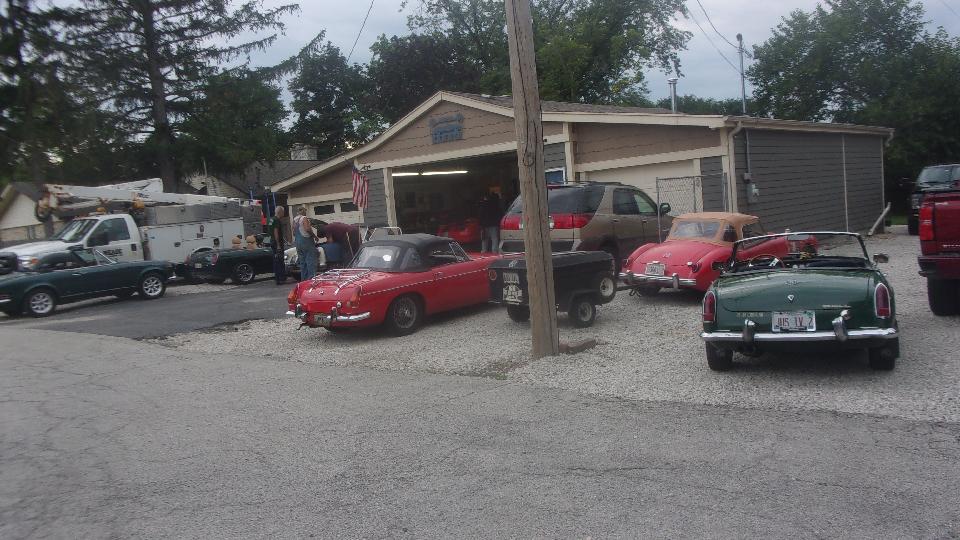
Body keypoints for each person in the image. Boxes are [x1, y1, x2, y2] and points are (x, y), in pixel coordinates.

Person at [292, 207, 319, 280]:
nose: (305, 213)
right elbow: (307, 229)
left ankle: (304, 280)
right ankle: (311, 279)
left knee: (302, 262)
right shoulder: (304, 218)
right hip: (306, 242)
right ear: (302, 211)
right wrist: (315, 236)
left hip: (298, 243)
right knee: (310, 261)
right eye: (305, 211)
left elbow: (294, 233)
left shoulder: (294, 220)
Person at [268, 206, 287, 284]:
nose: (284, 214)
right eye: (283, 212)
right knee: (280, 260)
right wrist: (278, 244)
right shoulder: (276, 220)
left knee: (275, 260)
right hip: (277, 243)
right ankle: (281, 278)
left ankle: (277, 278)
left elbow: (270, 231)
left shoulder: (271, 219)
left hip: (272, 242)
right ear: (280, 212)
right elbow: (276, 232)